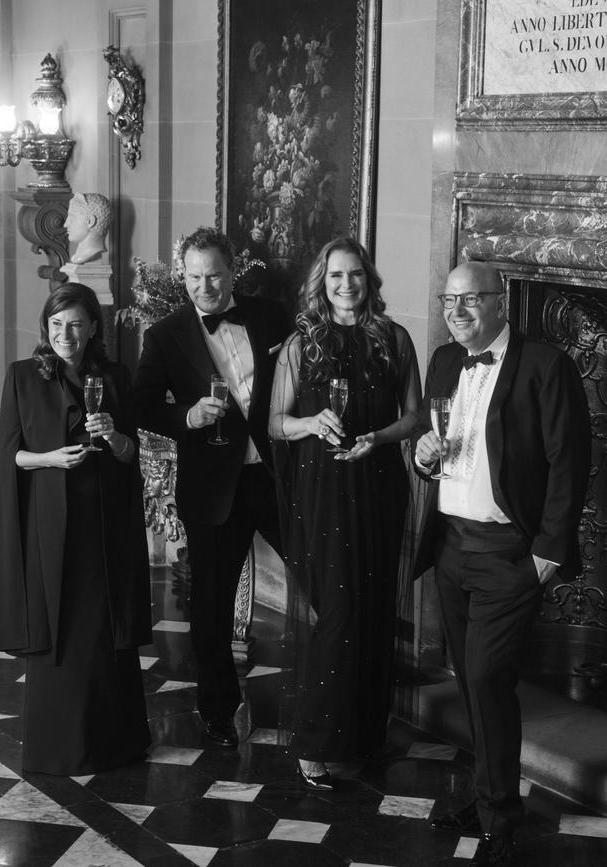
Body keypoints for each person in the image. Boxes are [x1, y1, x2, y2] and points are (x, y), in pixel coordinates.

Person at [412, 262, 591, 867]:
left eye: (470, 300)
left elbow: (570, 461)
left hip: (509, 554)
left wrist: (547, 550)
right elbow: (431, 447)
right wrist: (422, 454)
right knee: (470, 679)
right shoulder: (442, 362)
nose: (456, 310)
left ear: (499, 304)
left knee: (488, 676)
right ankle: (486, 795)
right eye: (449, 299)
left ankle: (499, 814)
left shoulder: (546, 366)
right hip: (451, 547)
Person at [268, 237, 421, 788]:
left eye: (354, 274)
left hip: (377, 483)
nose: (346, 285)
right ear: (322, 282)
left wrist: (376, 438)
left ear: (368, 280)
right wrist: (313, 424)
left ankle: (362, 735)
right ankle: (315, 740)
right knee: (338, 612)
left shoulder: (394, 339)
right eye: (335, 276)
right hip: (322, 491)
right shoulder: (299, 345)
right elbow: (275, 424)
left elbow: (415, 417)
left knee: (374, 610)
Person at [134, 226, 289, 748]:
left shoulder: (271, 316)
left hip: (276, 475)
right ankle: (218, 710)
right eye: (195, 277)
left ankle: (329, 697)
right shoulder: (164, 335)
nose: (206, 287)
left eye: (215, 275)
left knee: (324, 573)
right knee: (212, 605)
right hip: (213, 484)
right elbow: (141, 406)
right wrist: (188, 416)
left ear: (232, 271)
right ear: (183, 276)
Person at [0, 282, 152, 775]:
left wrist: (117, 436)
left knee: (103, 632)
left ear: (93, 328)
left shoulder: (116, 377)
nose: (66, 333)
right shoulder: (22, 377)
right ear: (46, 327)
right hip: (51, 526)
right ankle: (57, 748)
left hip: (104, 525)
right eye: (57, 324)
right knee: (59, 629)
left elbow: (131, 455)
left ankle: (115, 744)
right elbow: (8, 454)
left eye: (76, 323)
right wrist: (50, 459)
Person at [64, 192, 112, 264]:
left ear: (90, 221)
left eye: (72, 218)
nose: (65, 224)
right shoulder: (76, 257)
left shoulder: (93, 256)